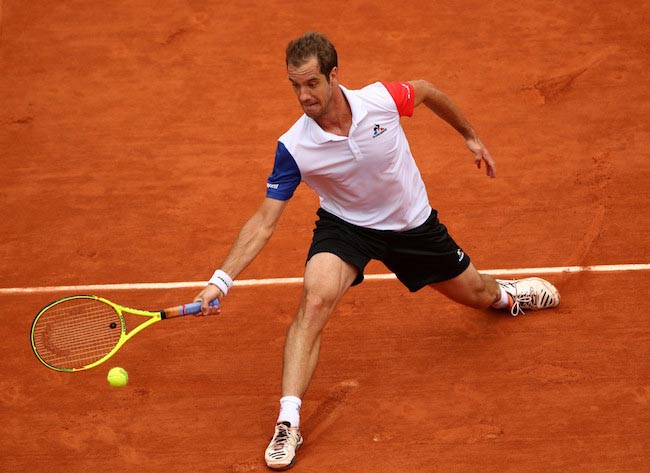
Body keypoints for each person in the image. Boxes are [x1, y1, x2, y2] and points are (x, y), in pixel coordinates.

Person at [194, 31, 560, 470]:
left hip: (411, 224)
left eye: (311, 83)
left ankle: (507, 296)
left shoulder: (381, 100)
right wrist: (221, 279)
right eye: (295, 85)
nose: (303, 95)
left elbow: (427, 91)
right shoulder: (294, 147)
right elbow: (263, 220)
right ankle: (287, 422)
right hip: (347, 227)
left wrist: (470, 135)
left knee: (477, 295)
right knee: (314, 301)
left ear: (334, 75)